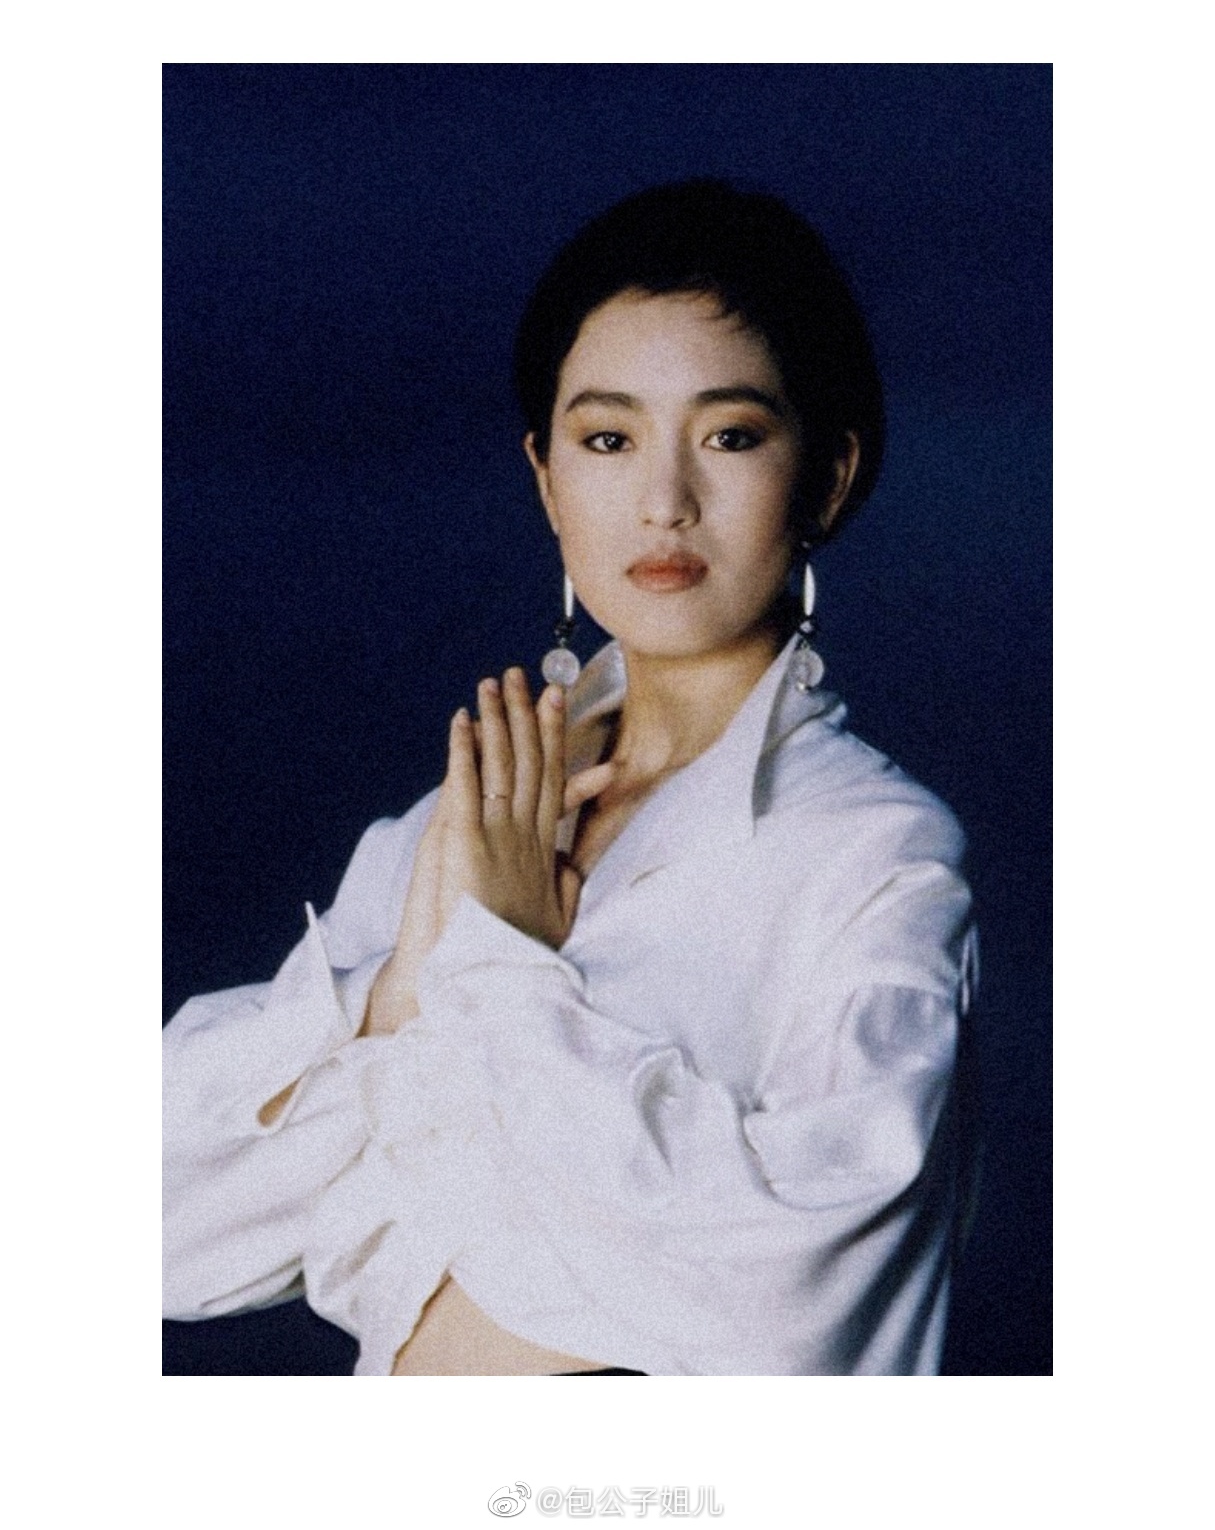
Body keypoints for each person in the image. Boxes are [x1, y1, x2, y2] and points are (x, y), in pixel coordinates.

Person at [163, 179, 977, 1376]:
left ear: (829, 475)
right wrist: (404, 985)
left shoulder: (870, 852)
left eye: (731, 436)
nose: (664, 502)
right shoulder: (457, 828)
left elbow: (791, 1295)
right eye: (608, 440)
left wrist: (498, 972)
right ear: (547, 479)